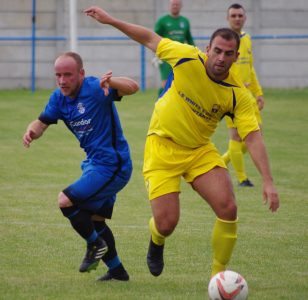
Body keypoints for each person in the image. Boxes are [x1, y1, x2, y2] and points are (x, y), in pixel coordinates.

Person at [84, 6, 280, 279]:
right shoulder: (187, 57)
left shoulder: (238, 95)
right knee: (167, 223)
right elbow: (149, 38)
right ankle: (157, 240)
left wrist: (268, 181)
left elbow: (253, 136)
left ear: (237, 57)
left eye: (228, 53)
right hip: (162, 146)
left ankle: (218, 278)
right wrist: (110, 20)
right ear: (207, 48)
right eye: (217, 51)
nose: (221, 58)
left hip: (199, 150)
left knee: (228, 207)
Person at [22, 52, 139, 281]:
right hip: (94, 164)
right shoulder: (59, 98)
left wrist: (112, 82)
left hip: (113, 165)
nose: (63, 80)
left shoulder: (96, 88)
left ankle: (95, 245)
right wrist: (31, 131)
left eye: (68, 75)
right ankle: (117, 271)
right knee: (94, 219)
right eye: (58, 75)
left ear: (81, 74)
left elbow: (133, 86)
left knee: (66, 200)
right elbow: (42, 122)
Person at [222, 3, 265, 187]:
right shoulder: (223, 41)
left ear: (245, 18)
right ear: (228, 18)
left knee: (256, 136)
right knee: (236, 136)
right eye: (233, 15)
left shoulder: (247, 39)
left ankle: (223, 161)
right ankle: (241, 178)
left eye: (240, 15)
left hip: (248, 96)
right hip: (231, 95)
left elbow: (250, 68)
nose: (237, 18)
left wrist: (258, 92)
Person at [153, 0, 195, 95]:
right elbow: (154, 37)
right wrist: (156, 54)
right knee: (165, 83)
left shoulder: (185, 21)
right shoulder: (162, 21)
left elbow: (189, 39)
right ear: (169, 6)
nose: (175, 6)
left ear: (181, 6)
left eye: (177, 4)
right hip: (166, 57)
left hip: (181, 57)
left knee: (179, 83)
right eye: (173, 4)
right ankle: (159, 104)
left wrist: (194, 52)